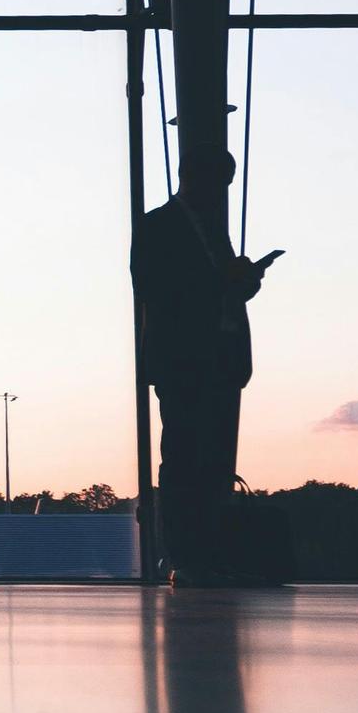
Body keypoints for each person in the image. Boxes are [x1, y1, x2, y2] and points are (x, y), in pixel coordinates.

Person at [132, 141, 277, 582]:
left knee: (205, 457)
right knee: (183, 458)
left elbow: (210, 289)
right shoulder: (160, 226)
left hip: (214, 359)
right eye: (221, 183)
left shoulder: (202, 227)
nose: (222, 193)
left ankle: (199, 552)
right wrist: (226, 282)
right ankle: (184, 554)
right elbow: (154, 288)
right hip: (186, 360)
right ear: (197, 178)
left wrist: (242, 281)